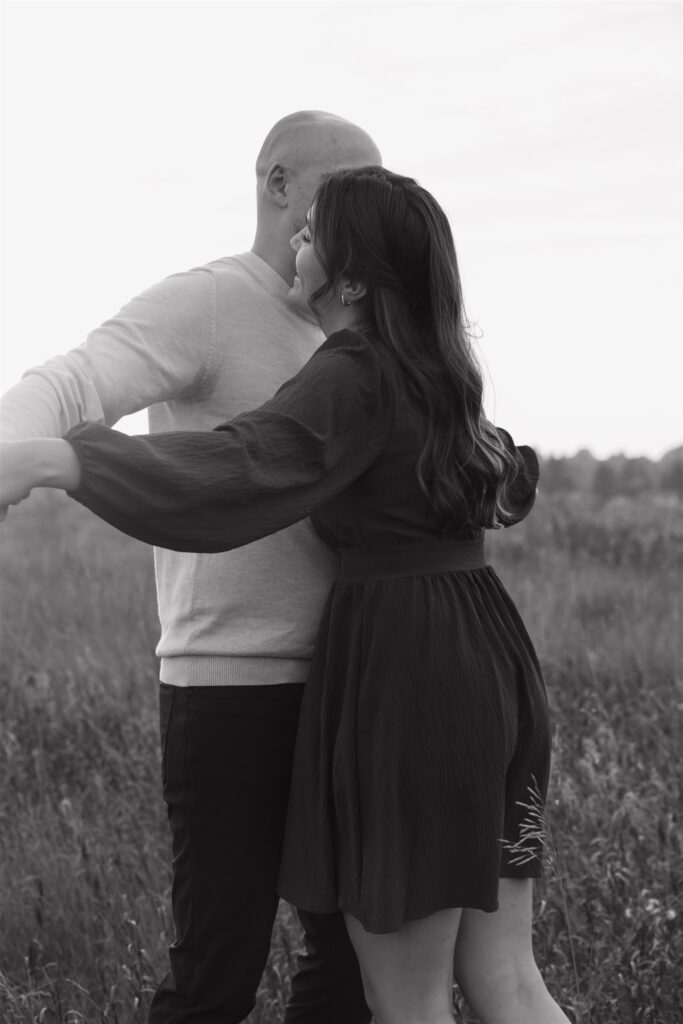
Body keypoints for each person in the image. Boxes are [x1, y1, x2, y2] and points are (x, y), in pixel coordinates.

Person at [0, 167, 571, 1024]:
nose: (294, 246)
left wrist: (60, 459)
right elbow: (508, 477)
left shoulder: (357, 369)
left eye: (312, 235)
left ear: (348, 278)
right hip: (490, 666)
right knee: (508, 981)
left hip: (409, 685)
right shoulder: (439, 369)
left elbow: (246, 464)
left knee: (406, 1000)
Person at [0, 111, 381, 1024]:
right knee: (218, 971)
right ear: (278, 185)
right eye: (346, 182)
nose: (368, 204)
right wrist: (18, 455)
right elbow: (66, 383)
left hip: (350, 684)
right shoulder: (209, 301)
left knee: (349, 968)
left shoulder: (362, 322)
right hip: (230, 685)